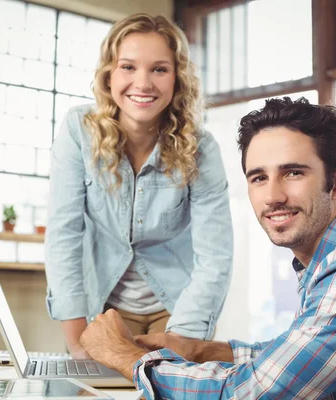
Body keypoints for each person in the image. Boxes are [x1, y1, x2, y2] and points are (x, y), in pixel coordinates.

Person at [79, 97, 336, 398]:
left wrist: (122, 355)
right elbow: (292, 356)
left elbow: (253, 393)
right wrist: (199, 349)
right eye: (259, 178)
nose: (273, 196)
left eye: (293, 172)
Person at [44, 13, 233, 360]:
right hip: (104, 311)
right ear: (109, 75)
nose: (142, 83)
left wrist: (184, 341)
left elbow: (215, 257)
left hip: (178, 310)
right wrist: (76, 342)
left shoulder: (202, 149)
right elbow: (63, 234)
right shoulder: (78, 131)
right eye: (128, 67)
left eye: (159, 69)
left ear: (177, 79)